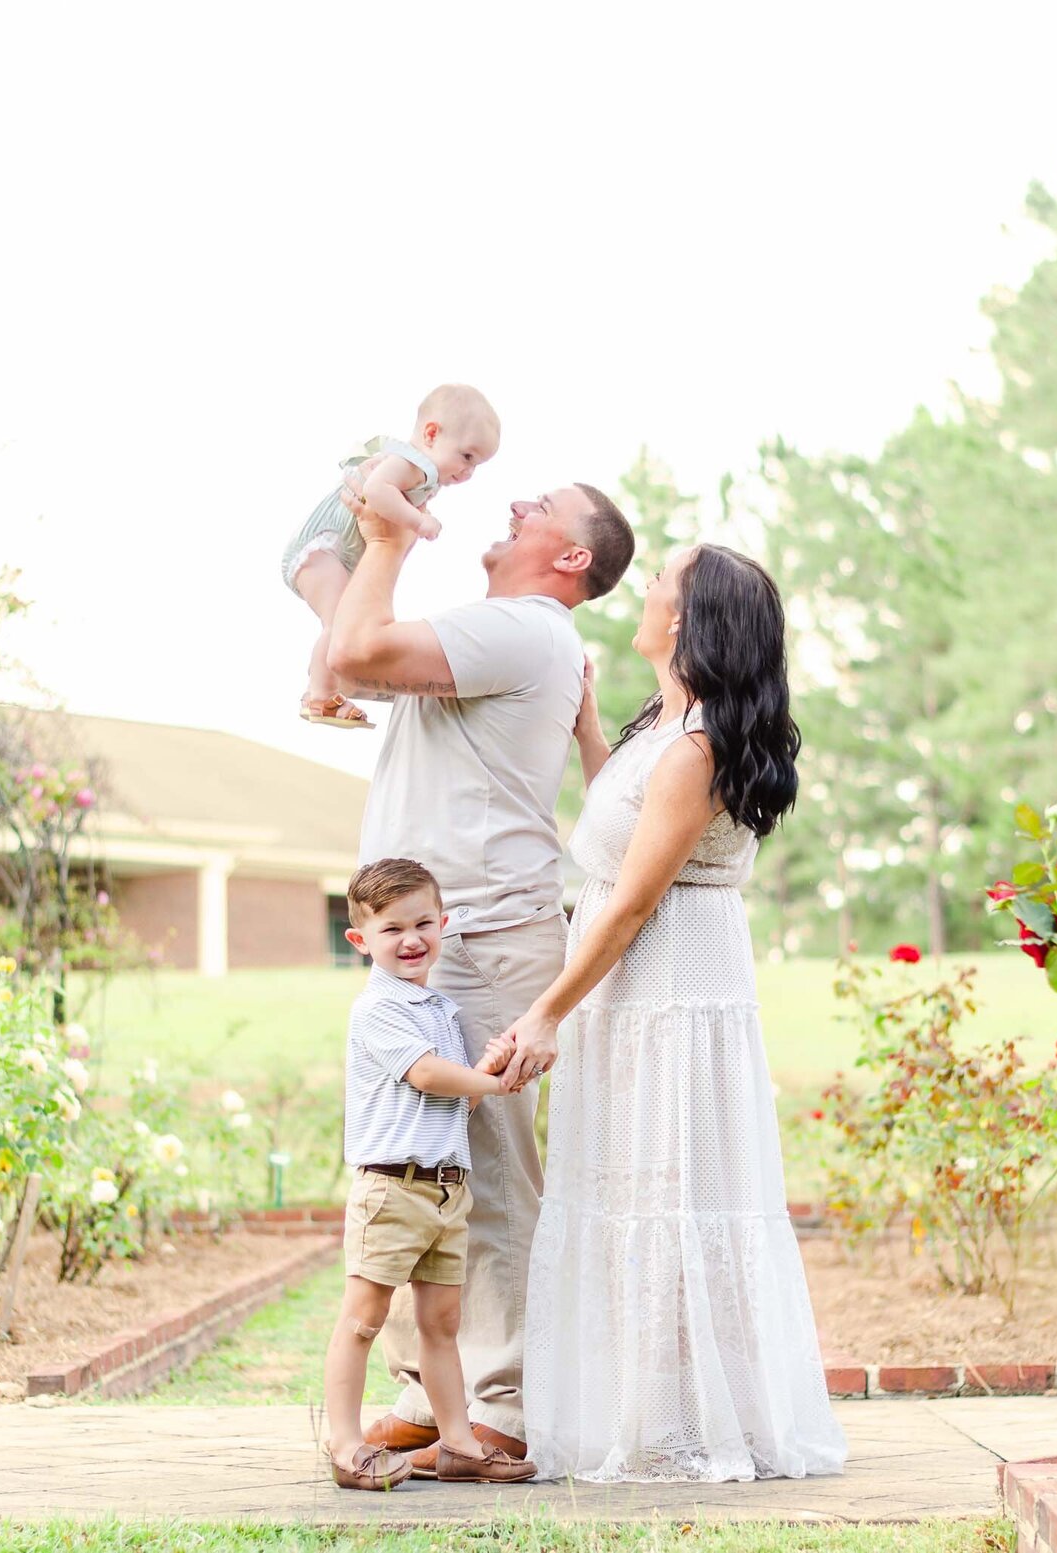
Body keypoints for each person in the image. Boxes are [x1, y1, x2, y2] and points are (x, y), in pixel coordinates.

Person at [502, 544, 848, 1483]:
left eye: (660, 580)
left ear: (689, 620)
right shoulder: (668, 727)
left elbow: (629, 901)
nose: (646, 589)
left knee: (671, 1196)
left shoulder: (698, 750)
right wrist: (584, 730)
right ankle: (650, 1411)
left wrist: (545, 1015)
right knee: (632, 1191)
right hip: (631, 991)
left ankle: (682, 1422)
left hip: (670, 988)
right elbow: (624, 820)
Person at [327, 477, 635, 1472]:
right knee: (423, 1160)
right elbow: (349, 660)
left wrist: (383, 537)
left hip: (485, 946)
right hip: (436, 947)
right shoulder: (510, 636)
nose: (518, 500)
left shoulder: (528, 628)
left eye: (544, 501)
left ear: (574, 555)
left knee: (489, 1172)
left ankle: (502, 1402)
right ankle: (439, 1387)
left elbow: (359, 648)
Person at [323, 857, 536, 1491]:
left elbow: (455, 1098)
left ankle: (460, 1444)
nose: (411, 940)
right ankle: (344, 1445)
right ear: (361, 940)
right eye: (392, 929)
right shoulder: (379, 1009)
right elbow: (427, 1075)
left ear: (442, 925)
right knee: (362, 1318)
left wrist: (489, 1070)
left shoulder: (438, 1008)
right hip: (391, 1188)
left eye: (423, 923)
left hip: (445, 1191)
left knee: (442, 1324)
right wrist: (494, 1080)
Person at [280, 384, 500, 728]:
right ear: (431, 433)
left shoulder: (421, 468)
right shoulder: (414, 462)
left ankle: (326, 680)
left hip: (337, 552)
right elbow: (375, 490)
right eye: (467, 456)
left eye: (478, 465)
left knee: (346, 623)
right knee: (340, 623)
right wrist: (419, 521)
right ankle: (320, 696)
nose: (469, 472)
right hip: (324, 547)